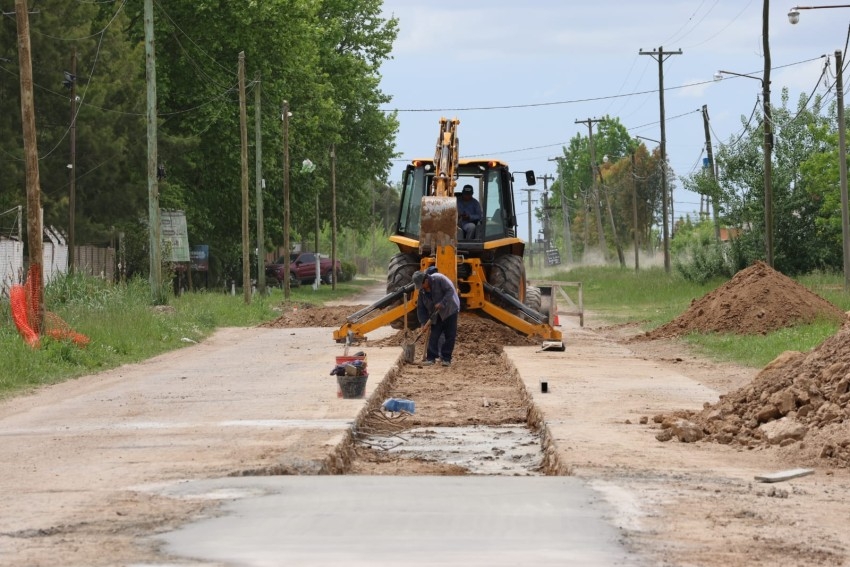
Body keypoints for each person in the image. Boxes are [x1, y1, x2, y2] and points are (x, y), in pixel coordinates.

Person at [412, 269, 460, 367]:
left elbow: (450, 290)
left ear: (426, 280)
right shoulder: (422, 291)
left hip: (450, 311)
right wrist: (423, 323)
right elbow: (421, 308)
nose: (421, 288)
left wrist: (442, 303)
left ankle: (446, 359)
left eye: (422, 285)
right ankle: (431, 358)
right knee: (434, 335)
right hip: (435, 314)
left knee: (450, 336)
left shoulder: (439, 279)